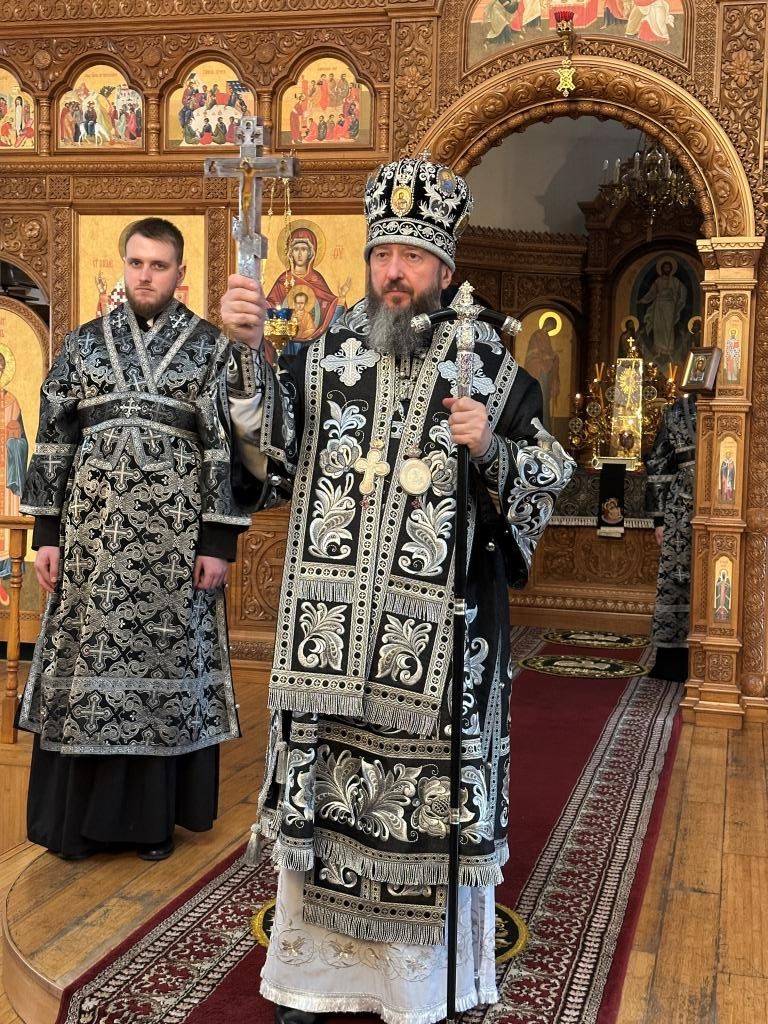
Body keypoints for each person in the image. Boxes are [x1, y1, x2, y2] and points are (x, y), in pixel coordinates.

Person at [221, 155, 575, 1024]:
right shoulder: (325, 356)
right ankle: (313, 983)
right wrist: (245, 358)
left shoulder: (493, 367)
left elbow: (551, 476)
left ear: (444, 268)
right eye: (383, 254)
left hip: (441, 654)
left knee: (427, 822)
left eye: (412, 257)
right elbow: (265, 459)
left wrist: (492, 447)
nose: (393, 273)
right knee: (325, 815)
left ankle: (418, 992)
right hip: (330, 646)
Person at [18, 217, 251, 861]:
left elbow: (224, 449)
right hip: (90, 550)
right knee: (85, 669)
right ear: (123, 267)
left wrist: (218, 542)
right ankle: (76, 825)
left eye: (159, 265)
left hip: (173, 553)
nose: (146, 276)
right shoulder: (83, 345)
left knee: (164, 670)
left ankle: (151, 826)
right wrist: (46, 534)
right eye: (137, 263)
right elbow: (55, 439)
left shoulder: (210, 349)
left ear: (180, 273)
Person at [644, 392, 696, 681]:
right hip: (683, 509)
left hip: (730, 509)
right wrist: (660, 518)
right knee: (678, 579)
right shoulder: (678, 410)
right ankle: (674, 659)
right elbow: (658, 462)